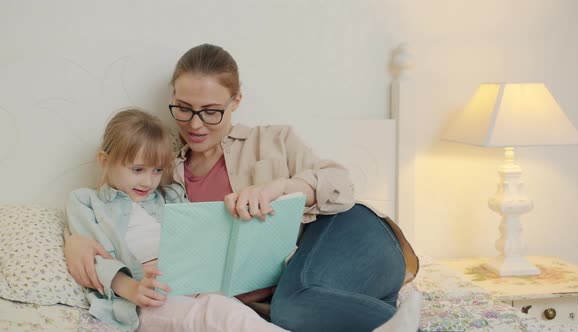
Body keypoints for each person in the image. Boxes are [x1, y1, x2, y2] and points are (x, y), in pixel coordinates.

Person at [65, 44, 420, 332]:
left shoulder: (271, 140)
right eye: (184, 109)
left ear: (236, 102)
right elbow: (120, 211)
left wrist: (281, 188)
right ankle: (388, 311)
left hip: (347, 234)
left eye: (211, 111)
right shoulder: (164, 175)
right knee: (293, 309)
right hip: (301, 290)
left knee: (293, 307)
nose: (196, 124)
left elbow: (342, 186)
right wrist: (75, 241)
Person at [65, 109, 287, 332]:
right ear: (105, 161)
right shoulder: (86, 202)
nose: (148, 181)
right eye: (138, 169)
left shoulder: (170, 195)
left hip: (193, 283)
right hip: (145, 297)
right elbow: (94, 261)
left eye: (157, 170)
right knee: (214, 316)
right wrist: (131, 288)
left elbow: (200, 235)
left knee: (233, 311)